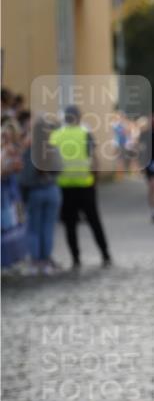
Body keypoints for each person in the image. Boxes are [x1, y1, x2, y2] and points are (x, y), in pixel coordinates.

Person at [49, 105, 112, 270]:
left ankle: (75, 259)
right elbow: (94, 159)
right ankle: (105, 255)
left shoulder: (55, 135)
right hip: (85, 185)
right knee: (94, 221)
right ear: (78, 117)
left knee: (70, 224)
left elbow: (51, 161)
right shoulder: (85, 133)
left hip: (64, 185)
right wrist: (95, 178)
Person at [19, 115, 63, 274]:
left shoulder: (28, 151)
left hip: (35, 192)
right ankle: (46, 260)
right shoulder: (52, 149)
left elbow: (23, 177)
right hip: (51, 190)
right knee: (48, 227)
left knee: (33, 228)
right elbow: (59, 169)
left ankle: (35, 261)